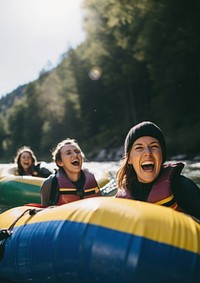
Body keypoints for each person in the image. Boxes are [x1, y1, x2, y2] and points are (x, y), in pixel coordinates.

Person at [115, 121, 200, 220]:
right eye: (139, 148)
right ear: (129, 159)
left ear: (162, 155)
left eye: (154, 146)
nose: (148, 153)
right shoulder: (121, 200)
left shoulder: (182, 187)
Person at [40, 138, 101, 207]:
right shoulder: (49, 184)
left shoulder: (91, 179)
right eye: (68, 153)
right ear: (60, 162)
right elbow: (44, 213)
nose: (75, 155)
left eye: (77, 152)